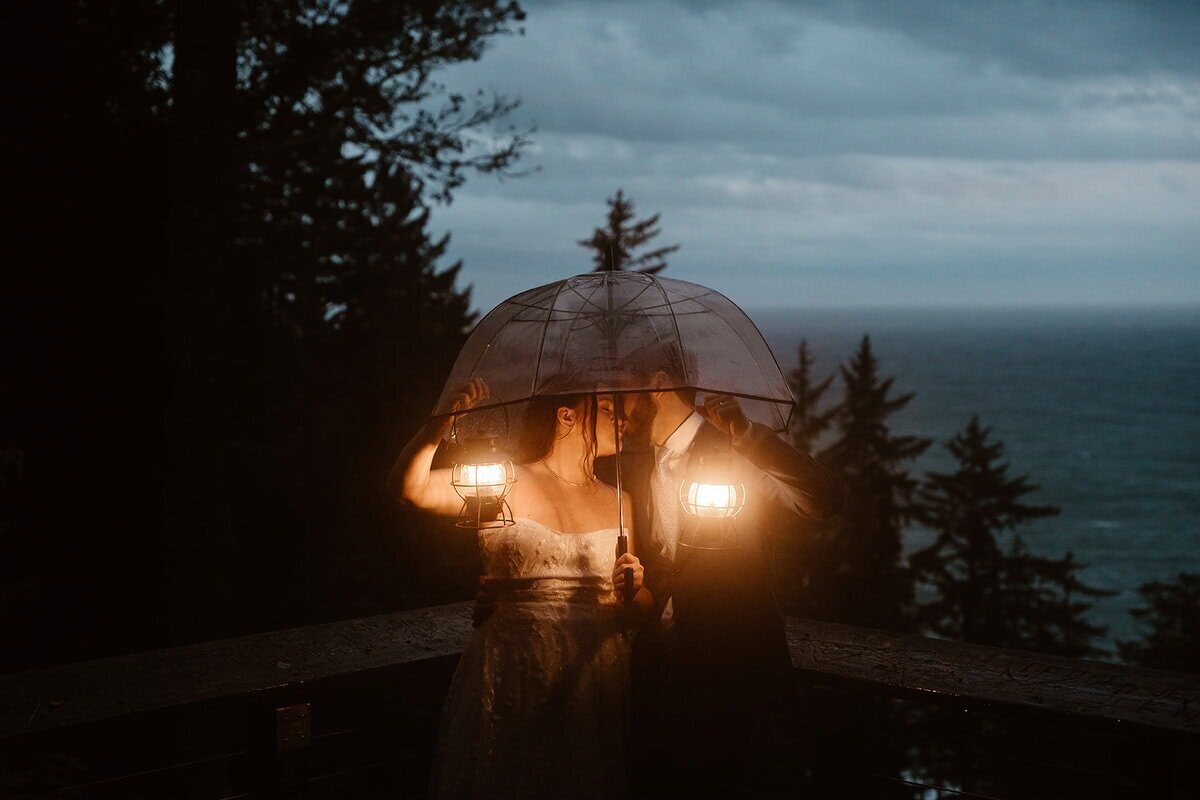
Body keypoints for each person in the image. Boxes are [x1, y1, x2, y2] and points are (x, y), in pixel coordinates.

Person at [388, 378, 652, 799]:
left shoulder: (622, 501)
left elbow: (635, 610)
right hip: (514, 663)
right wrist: (438, 427)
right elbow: (410, 490)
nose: (622, 419)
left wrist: (635, 589)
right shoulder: (502, 481)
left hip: (593, 671)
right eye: (605, 408)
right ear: (566, 414)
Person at [599, 369, 844, 797]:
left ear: (657, 382)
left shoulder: (736, 445)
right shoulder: (633, 463)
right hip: (658, 677)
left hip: (734, 673)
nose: (613, 408)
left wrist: (748, 435)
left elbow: (823, 500)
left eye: (620, 392)